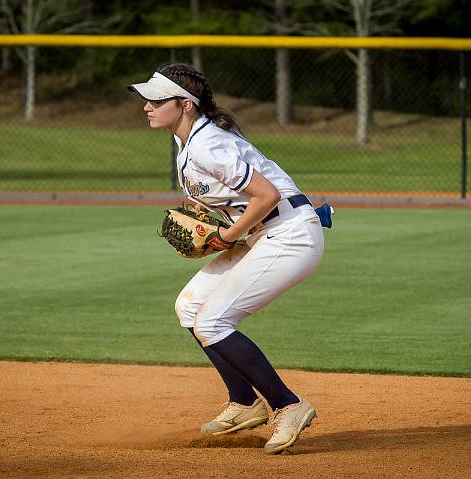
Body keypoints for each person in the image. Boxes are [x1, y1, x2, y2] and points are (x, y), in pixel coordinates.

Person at [128, 63, 325, 454]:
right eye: (146, 100)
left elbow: (266, 195)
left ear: (185, 105)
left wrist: (225, 236)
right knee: (190, 308)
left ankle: (288, 404)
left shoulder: (207, 143)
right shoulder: (188, 139)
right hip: (262, 233)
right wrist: (203, 215)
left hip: (289, 234)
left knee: (214, 320)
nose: (146, 107)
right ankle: (244, 402)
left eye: (155, 100)